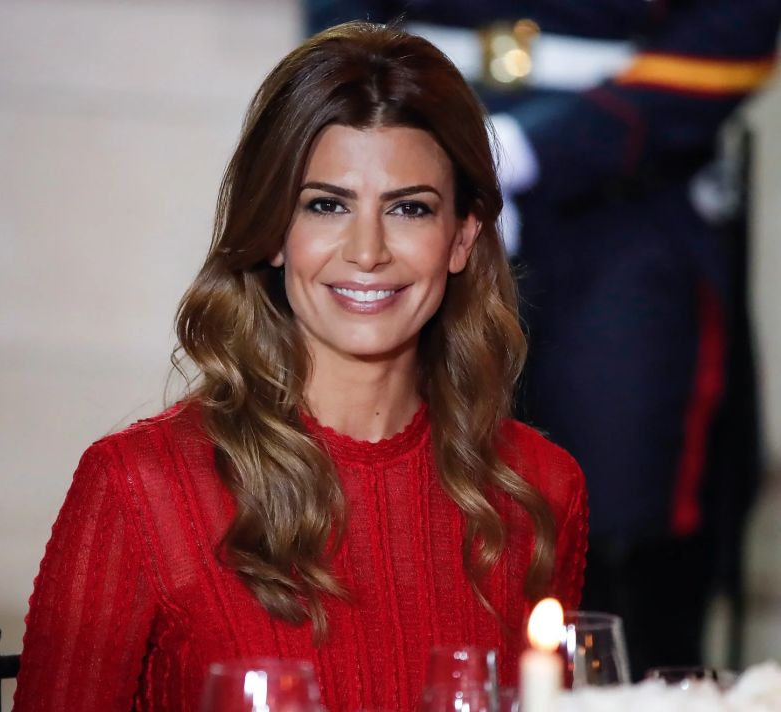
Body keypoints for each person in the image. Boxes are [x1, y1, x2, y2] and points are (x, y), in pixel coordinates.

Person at [12, 22, 587, 712]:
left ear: (462, 237)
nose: (367, 251)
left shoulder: (539, 490)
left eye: (409, 208)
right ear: (275, 232)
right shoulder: (139, 490)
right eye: (327, 205)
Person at [306, 1, 780, 678]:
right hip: (405, 156)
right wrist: (400, 130)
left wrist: (536, 149)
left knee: (623, 558)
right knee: (382, 523)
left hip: (627, 195)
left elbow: (733, 21)